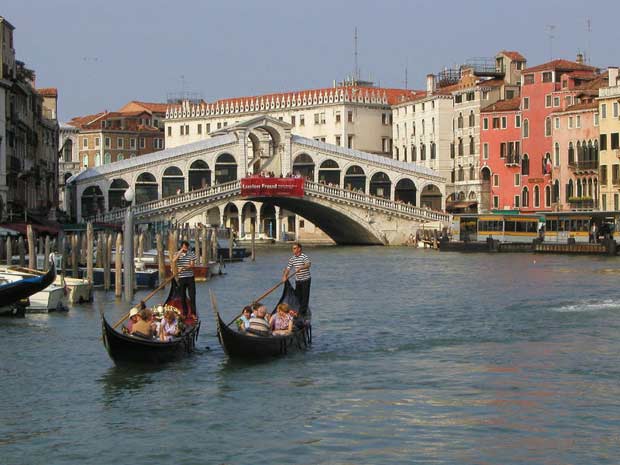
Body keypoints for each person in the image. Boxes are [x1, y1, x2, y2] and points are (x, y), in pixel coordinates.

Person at [282, 242, 311, 316]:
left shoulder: (304, 257)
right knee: (298, 296)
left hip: (306, 279)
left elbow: (308, 264)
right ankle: (298, 309)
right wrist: (285, 276)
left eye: (294, 248)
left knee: (305, 296)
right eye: (293, 248)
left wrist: (301, 267)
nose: (293, 250)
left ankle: (302, 313)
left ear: (299, 249)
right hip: (298, 280)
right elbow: (288, 268)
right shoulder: (292, 259)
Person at [173, 240, 197, 319]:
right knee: (182, 297)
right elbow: (174, 260)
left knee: (192, 296)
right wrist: (180, 252)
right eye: (183, 247)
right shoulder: (177, 254)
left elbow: (192, 265)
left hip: (190, 277)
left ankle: (193, 313)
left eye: (186, 247)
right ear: (181, 247)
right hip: (182, 278)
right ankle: (185, 313)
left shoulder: (191, 254)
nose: (184, 248)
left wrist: (183, 268)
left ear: (188, 247)